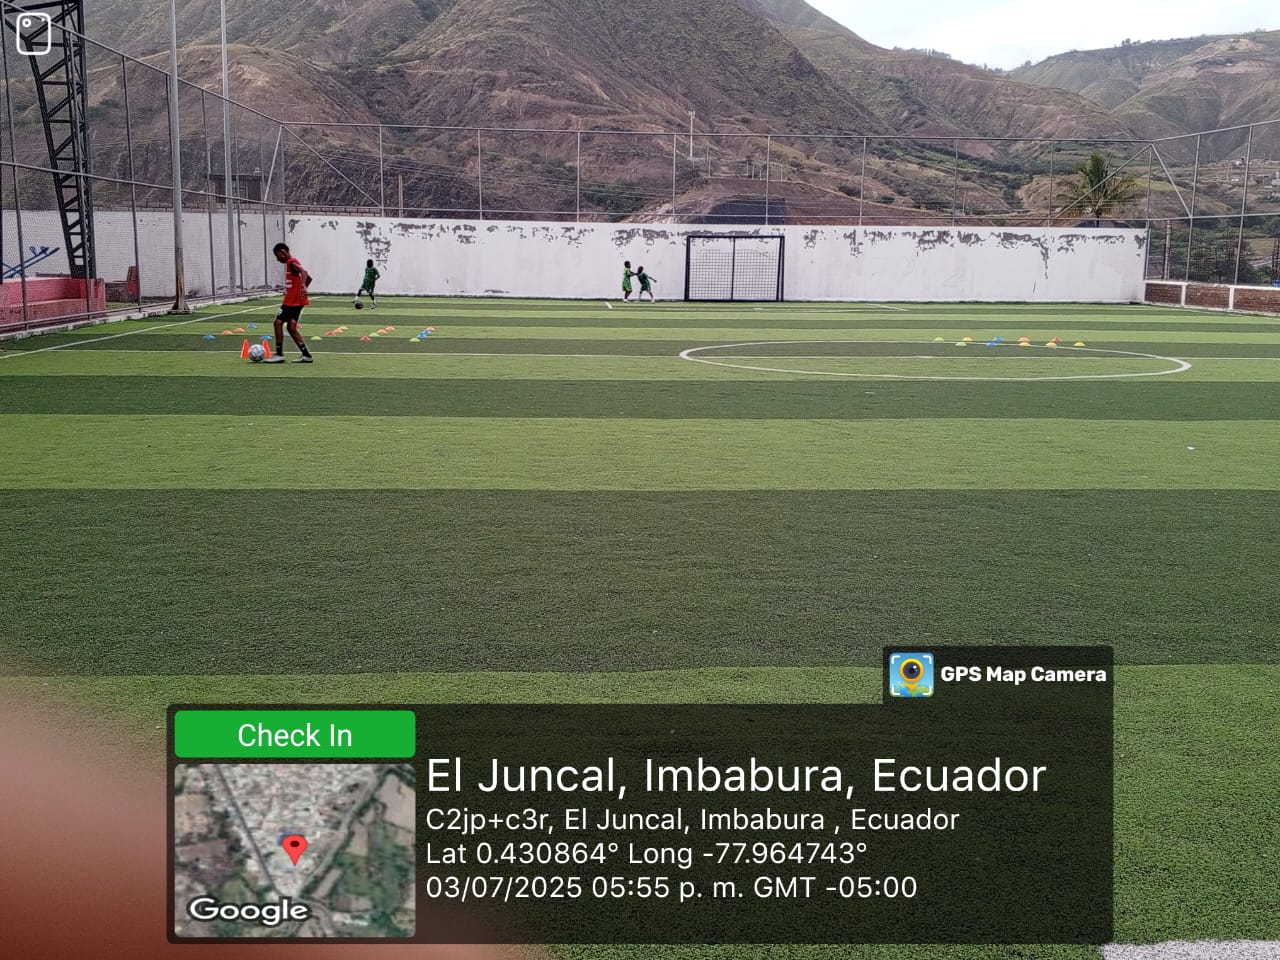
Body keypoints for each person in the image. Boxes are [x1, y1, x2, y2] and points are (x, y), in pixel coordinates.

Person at [267, 242, 314, 364]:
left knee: (277, 323)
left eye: (278, 256)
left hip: (291, 302)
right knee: (291, 327)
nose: (278, 259)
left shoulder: (291, 262)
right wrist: (303, 289)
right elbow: (309, 278)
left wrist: (302, 286)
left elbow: (304, 272)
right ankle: (306, 355)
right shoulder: (292, 262)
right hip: (298, 301)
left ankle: (279, 354)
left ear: (283, 252)